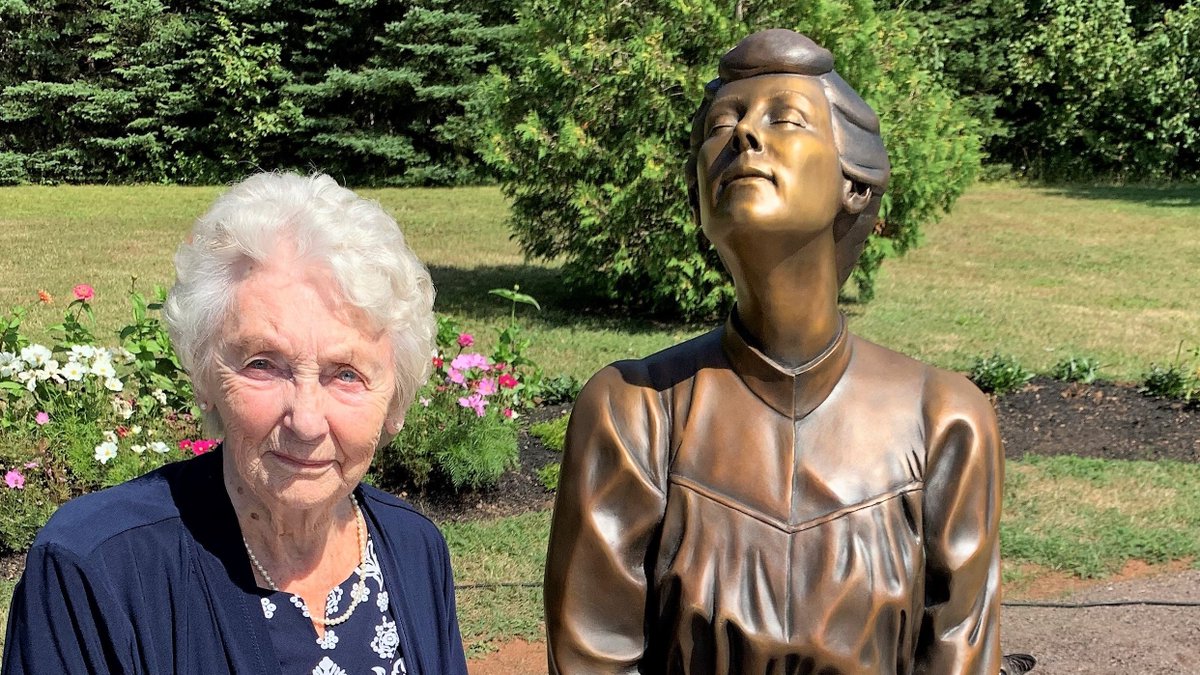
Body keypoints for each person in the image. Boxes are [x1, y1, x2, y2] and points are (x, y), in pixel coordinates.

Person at [545, 29, 1008, 674]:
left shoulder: (945, 421)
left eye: (785, 118)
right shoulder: (636, 413)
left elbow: (958, 656)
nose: (742, 137)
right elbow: (595, 659)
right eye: (721, 125)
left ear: (854, 182)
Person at [2, 172, 469, 675]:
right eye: (263, 364)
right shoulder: (93, 570)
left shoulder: (414, 549)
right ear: (206, 374)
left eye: (347, 374)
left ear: (394, 396)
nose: (307, 421)